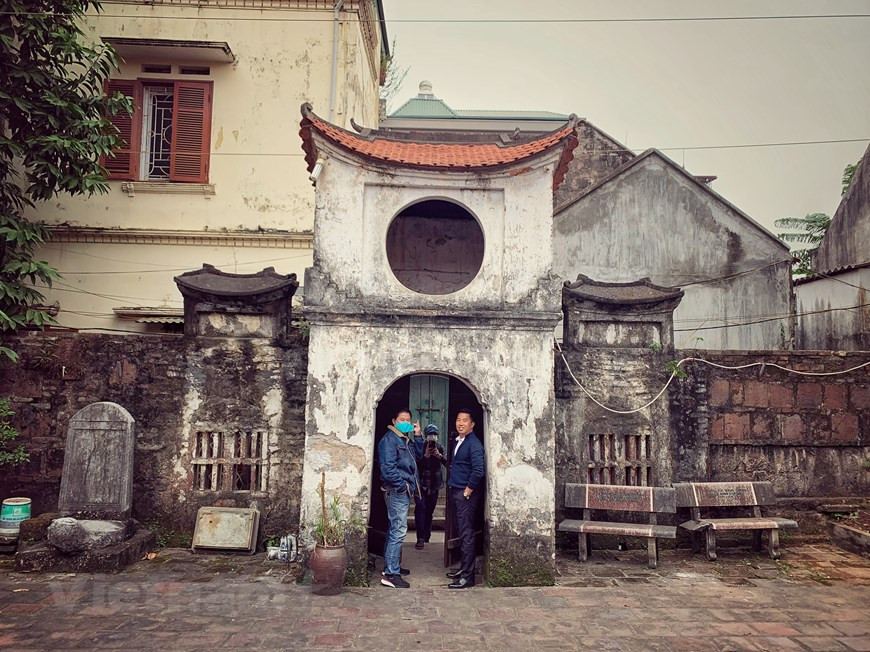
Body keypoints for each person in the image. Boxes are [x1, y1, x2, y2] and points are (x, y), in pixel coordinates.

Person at [377, 407, 421, 588]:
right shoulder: (389, 440)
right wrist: (402, 487)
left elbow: (418, 457)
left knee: (394, 528)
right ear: (394, 421)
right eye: (402, 419)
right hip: (397, 491)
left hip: (401, 490)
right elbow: (388, 469)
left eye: (408, 420)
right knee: (399, 530)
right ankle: (391, 574)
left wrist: (418, 436)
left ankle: (391, 566)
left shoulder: (404, 439)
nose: (405, 422)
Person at [445, 408, 485, 589]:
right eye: (458, 419)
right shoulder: (460, 441)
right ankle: (464, 569)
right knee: (462, 532)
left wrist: (467, 491)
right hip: (458, 491)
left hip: (466, 495)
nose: (460, 423)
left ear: (472, 424)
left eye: (465, 420)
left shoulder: (474, 444)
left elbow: (478, 471)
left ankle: (468, 577)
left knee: (467, 534)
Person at [413, 424, 447, 549]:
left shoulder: (440, 448)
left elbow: (449, 463)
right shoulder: (420, 447)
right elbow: (415, 464)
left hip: (434, 485)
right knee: (420, 508)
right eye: (430, 435)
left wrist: (439, 456)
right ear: (426, 436)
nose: (432, 437)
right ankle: (420, 538)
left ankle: (426, 535)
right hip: (420, 484)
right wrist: (425, 456)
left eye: (434, 435)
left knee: (429, 511)